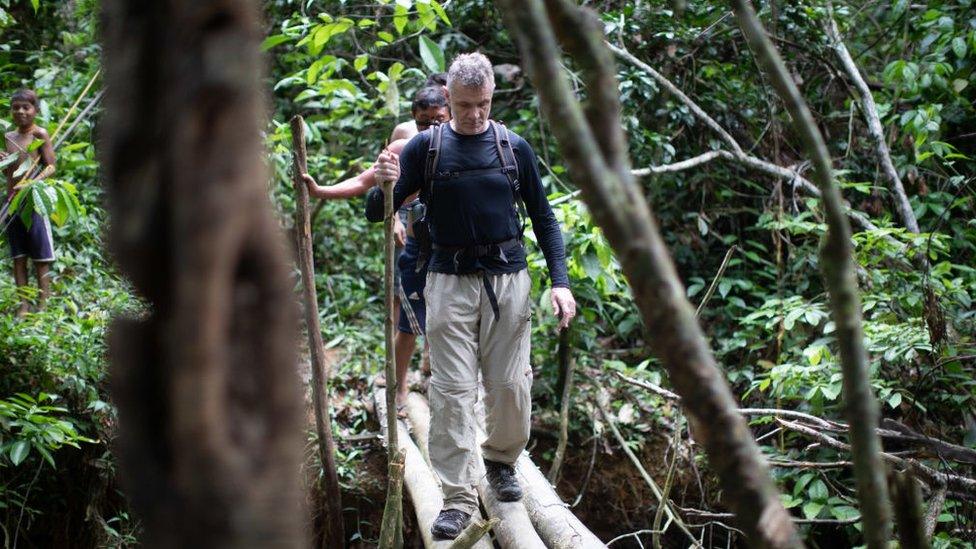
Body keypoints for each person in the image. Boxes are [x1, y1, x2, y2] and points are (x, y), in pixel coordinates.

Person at [365, 52, 576, 540]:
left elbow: (544, 218)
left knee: (509, 386)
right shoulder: (426, 148)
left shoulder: (512, 147)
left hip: (509, 280)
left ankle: (501, 460)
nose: (474, 115)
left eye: (482, 104)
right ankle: (458, 497)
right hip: (448, 281)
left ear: (491, 99)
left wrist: (560, 281)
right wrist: (384, 183)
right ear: (449, 99)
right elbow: (379, 210)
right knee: (453, 391)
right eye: (464, 105)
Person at [302, 85, 450, 413]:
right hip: (418, 251)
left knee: (450, 327)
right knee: (409, 326)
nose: (433, 127)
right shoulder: (404, 147)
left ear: (450, 115)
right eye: (425, 122)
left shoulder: (466, 144)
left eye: (439, 119)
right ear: (415, 121)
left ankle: (445, 392)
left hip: (454, 257)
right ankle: (397, 392)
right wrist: (320, 190)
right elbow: (362, 182)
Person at [1, 89, 56, 316]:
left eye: (26, 107)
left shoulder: (40, 134)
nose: (21, 111)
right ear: (11, 111)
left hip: (34, 202)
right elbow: (9, 174)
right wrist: (4, 162)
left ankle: (43, 305)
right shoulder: (9, 137)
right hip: (13, 201)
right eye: (16, 107)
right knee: (19, 256)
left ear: (35, 110)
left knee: (41, 257)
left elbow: (51, 166)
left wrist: (33, 183)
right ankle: (24, 305)